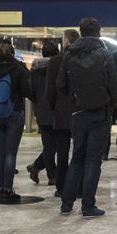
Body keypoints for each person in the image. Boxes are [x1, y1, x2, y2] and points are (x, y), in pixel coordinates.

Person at [57, 17, 117, 218]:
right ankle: (88, 205)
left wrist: (75, 98)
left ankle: (66, 204)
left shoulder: (68, 54)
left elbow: (61, 85)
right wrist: (112, 104)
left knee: (77, 157)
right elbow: (113, 86)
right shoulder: (105, 54)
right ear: (98, 32)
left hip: (78, 112)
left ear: (81, 32)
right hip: (100, 112)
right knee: (93, 160)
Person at [0, 41, 31, 202]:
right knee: (10, 153)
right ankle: (7, 189)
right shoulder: (18, 68)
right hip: (13, 113)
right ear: (13, 53)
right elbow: (26, 90)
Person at [46, 29, 79, 197]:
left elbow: (50, 91)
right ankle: (78, 187)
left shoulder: (54, 61)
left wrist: (55, 107)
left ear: (66, 42)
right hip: (80, 111)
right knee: (80, 152)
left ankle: (61, 187)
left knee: (62, 152)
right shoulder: (84, 59)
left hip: (60, 112)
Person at [27, 42, 59, 185]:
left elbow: (30, 92)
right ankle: (52, 175)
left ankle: (37, 166)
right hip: (57, 110)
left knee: (50, 144)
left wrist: (39, 102)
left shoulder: (34, 71)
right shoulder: (58, 68)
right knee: (56, 144)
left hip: (41, 111)